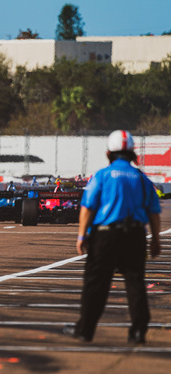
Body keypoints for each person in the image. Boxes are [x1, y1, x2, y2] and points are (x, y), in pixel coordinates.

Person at [63, 130, 161, 344]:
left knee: (95, 283)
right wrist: (155, 240)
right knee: (135, 282)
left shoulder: (102, 176)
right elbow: (154, 212)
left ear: (109, 154)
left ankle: (85, 329)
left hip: (105, 236)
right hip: (135, 235)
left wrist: (82, 235)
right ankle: (138, 331)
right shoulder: (142, 179)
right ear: (133, 153)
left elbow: (88, 208)